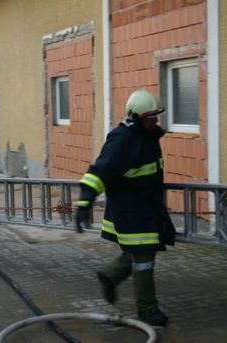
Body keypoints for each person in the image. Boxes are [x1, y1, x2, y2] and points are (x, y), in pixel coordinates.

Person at [74, 90, 176, 327]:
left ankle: (110, 277)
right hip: (131, 212)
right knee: (143, 259)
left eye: (156, 116)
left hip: (146, 208)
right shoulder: (123, 140)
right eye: (150, 117)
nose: (155, 121)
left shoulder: (146, 136)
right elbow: (100, 172)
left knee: (137, 253)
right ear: (136, 116)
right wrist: (84, 203)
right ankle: (147, 309)